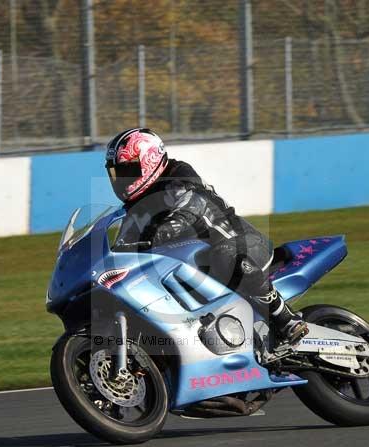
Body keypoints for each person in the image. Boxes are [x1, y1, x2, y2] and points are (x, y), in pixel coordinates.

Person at [105, 127, 308, 346]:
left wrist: (164, 230)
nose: (122, 180)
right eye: (117, 173)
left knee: (226, 256)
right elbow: (122, 249)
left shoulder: (178, 176)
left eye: (129, 171)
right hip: (196, 266)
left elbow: (190, 207)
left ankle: (285, 319)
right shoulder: (134, 209)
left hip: (241, 244)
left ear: (149, 161)